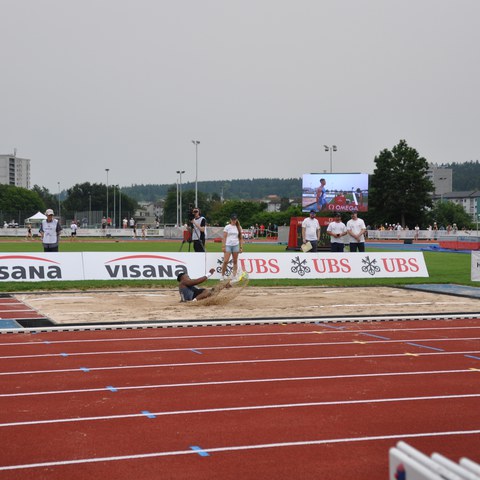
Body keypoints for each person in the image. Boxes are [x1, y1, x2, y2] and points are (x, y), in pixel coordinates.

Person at [220, 213, 243, 281]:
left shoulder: (239, 227)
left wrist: (241, 247)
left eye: (235, 219)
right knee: (225, 261)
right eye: (233, 219)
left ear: (236, 219)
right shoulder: (227, 227)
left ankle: (234, 276)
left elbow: (241, 238)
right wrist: (223, 246)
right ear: (230, 219)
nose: (234, 221)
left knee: (235, 261)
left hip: (236, 245)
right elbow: (224, 237)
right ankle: (222, 275)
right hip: (228, 245)